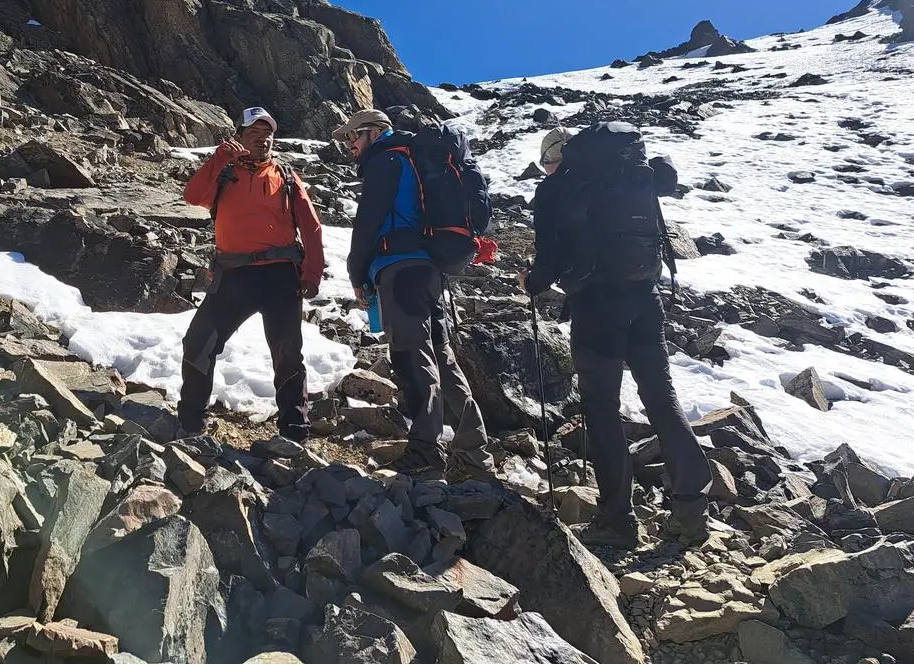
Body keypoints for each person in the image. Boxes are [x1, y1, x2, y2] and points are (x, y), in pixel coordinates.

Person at [520, 125, 712, 548]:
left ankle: (617, 519)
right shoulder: (633, 176)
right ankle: (690, 508)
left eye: (548, 161)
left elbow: (549, 258)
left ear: (558, 158)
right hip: (646, 297)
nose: (548, 168)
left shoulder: (557, 190)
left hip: (597, 307)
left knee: (601, 406)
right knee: (661, 397)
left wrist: (531, 282)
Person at [333, 108, 493, 482]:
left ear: (374, 132)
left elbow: (368, 221)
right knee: (441, 356)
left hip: (400, 268)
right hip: (428, 270)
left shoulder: (387, 160)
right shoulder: (415, 158)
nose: (350, 146)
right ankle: (474, 453)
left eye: (353, 137)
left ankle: (425, 452)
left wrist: (357, 271)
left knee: (412, 357)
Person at [177, 106, 325, 442]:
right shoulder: (225, 173)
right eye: (254, 134)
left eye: (268, 134)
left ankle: (294, 431)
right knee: (199, 342)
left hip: (280, 277)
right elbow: (193, 196)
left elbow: (311, 228)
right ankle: (190, 424)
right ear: (240, 137)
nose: (263, 140)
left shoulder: (286, 176)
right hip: (233, 275)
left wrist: (311, 274)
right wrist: (218, 160)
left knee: (288, 353)